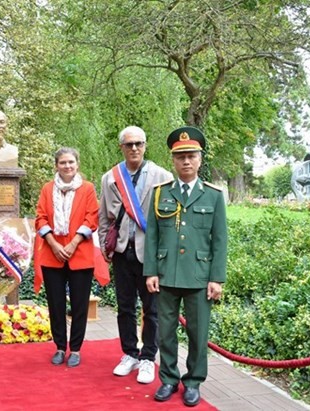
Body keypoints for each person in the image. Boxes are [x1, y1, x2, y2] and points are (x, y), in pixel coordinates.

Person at [144, 126, 227, 407]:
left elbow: (219, 241)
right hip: (166, 275)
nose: (186, 162)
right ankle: (168, 378)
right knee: (164, 332)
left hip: (199, 277)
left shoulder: (213, 196)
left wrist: (217, 279)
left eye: (191, 156)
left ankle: (193, 382)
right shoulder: (159, 194)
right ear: (173, 160)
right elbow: (152, 237)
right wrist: (151, 271)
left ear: (200, 159)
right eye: (181, 157)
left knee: (197, 332)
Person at [97, 126, 173, 383]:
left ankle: (148, 358)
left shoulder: (162, 176)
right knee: (125, 307)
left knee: (151, 310)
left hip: (149, 255)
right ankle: (129, 353)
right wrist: (104, 247)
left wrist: (164, 255)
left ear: (145, 145)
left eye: (138, 143)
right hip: (121, 252)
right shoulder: (110, 177)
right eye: (129, 144)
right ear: (121, 147)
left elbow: (170, 220)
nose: (134, 148)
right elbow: (104, 216)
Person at [34, 147, 99, 368]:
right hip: (53, 256)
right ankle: (60, 347)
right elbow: (40, 219)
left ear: (77, 164)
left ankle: (77, 349)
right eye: (62, 163)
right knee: (56, 304)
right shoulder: (47, 189)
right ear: (56, 165)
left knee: (80, 305)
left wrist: (72, 244)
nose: (67, 166)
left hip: (79, 254)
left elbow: (92, 219)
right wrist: (53, 244)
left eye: (71, 162)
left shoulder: (87, 188)